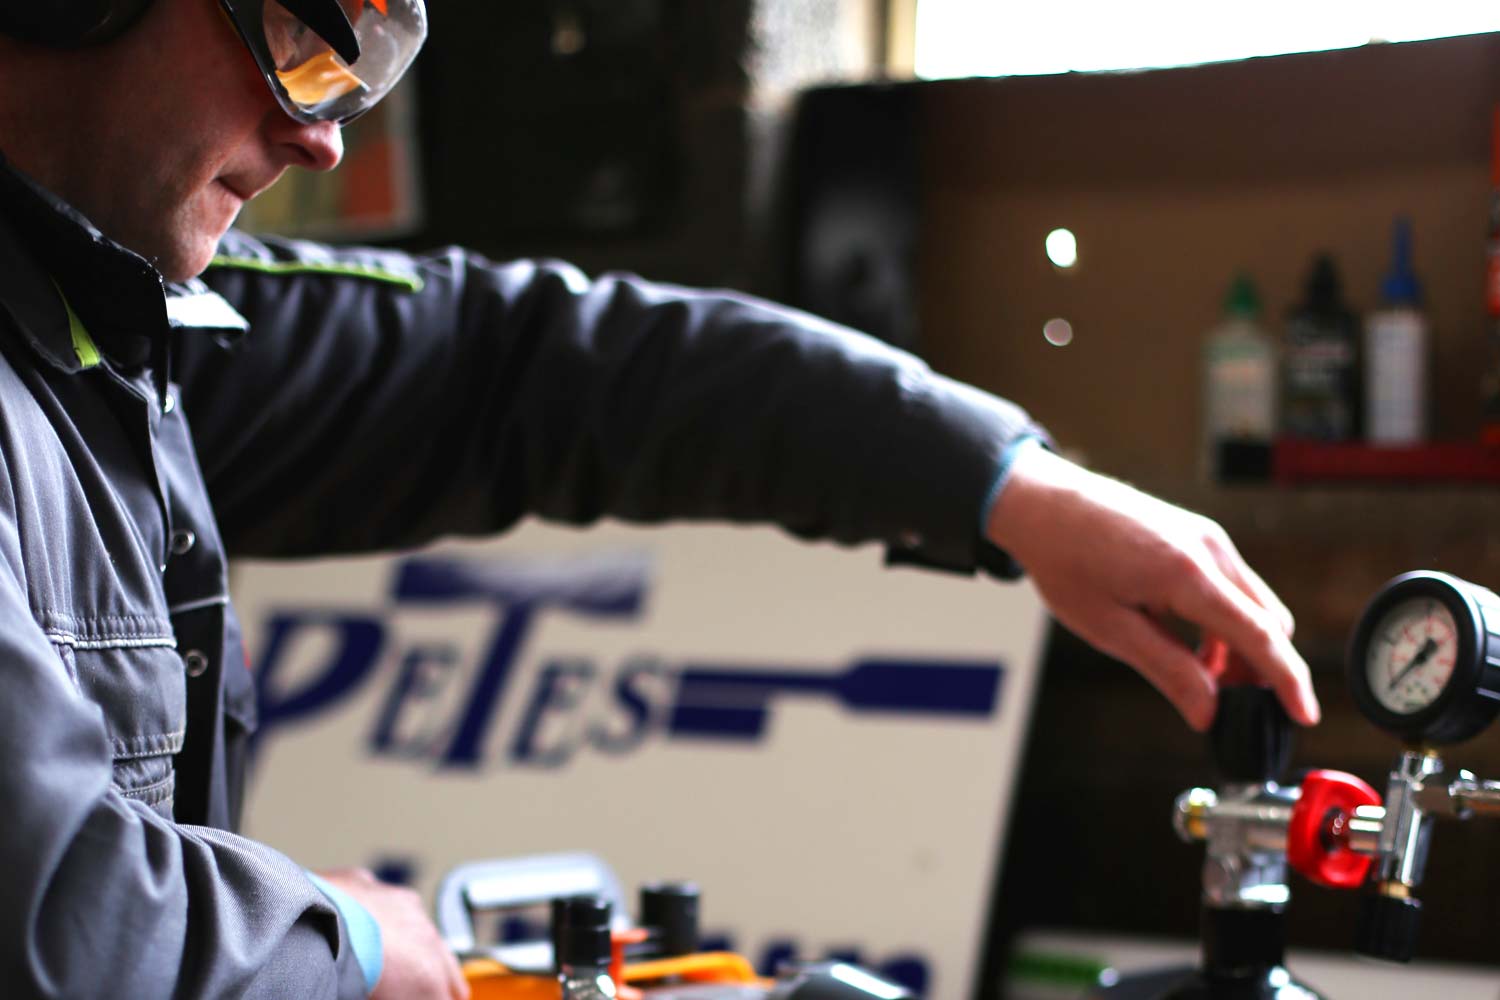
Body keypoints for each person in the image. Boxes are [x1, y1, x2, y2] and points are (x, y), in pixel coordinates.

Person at [0, 1, 1319, 997]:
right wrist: (340, 944)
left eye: (367, 71)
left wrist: (1004, 482)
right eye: (303, 36)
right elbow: (56, 918)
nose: (323, 131)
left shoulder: (121, 332)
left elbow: (533, 368)